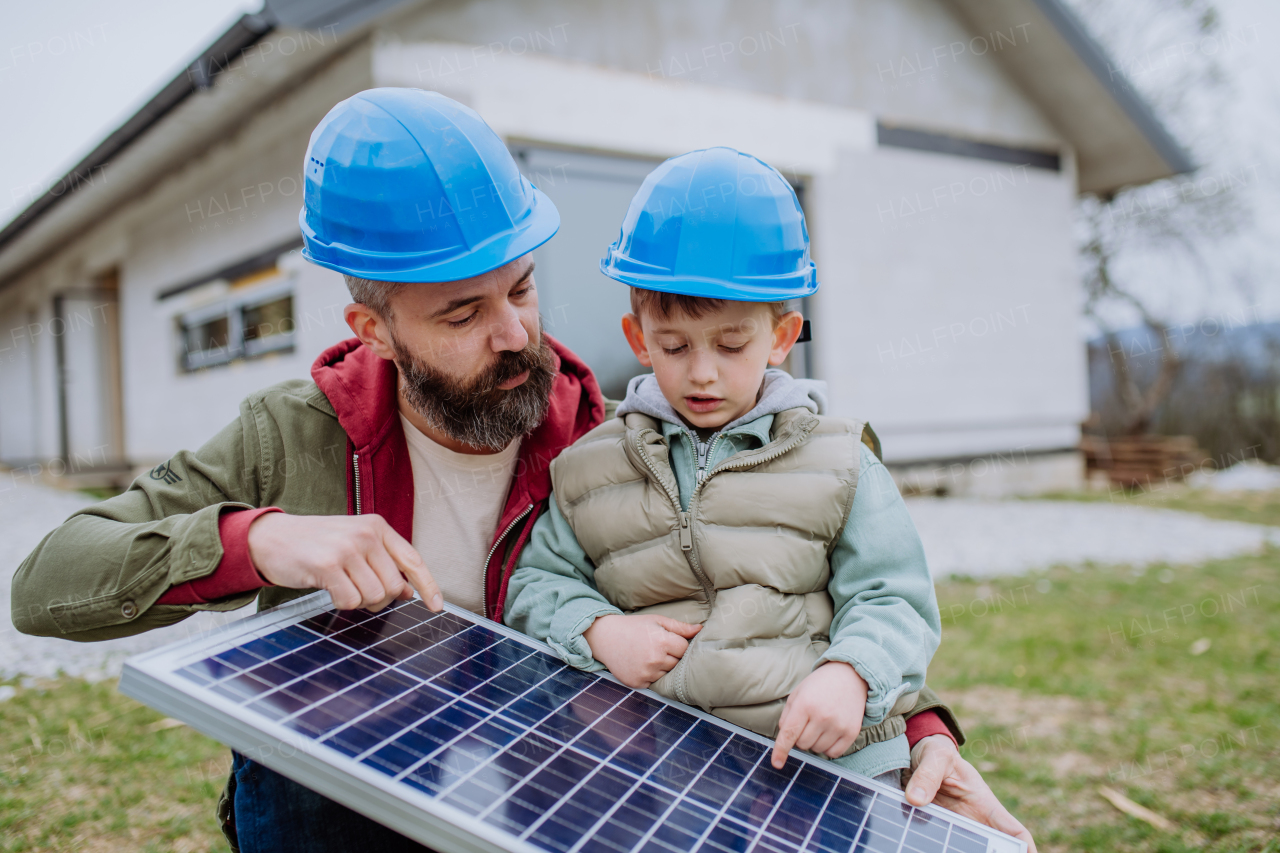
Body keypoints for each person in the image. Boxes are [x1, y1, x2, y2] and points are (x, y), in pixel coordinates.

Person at [10, 89, 1035, 852]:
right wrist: (260, 538)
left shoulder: (602, 435)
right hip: (333, 800)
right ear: (373, 328)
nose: (516, 336)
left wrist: (920, 724)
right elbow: (49, 582)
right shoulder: (294, 435)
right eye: (461, 314)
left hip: (548, 787)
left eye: (522, 288)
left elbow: (774, 575)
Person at [506, 147, 937, 790]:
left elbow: (894, 596)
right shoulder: (587, 467)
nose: (702, 372)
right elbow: (535, 585)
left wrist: (853, 673)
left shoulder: (842, 460)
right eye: (675, 346)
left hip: (830, 759)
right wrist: (598, 630)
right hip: (668, 768)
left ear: (782, 338)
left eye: (732, 346)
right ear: (638, 339)